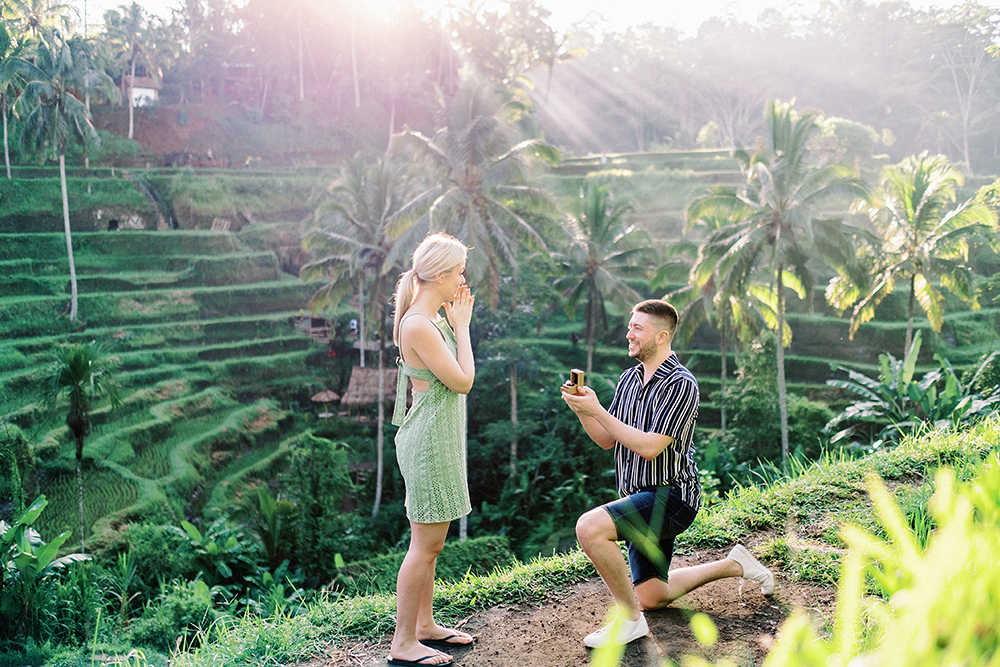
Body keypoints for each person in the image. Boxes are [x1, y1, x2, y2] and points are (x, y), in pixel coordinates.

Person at [561, 299, 774, 649]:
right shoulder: (629, 379)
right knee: (652, 595)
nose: (629, 334)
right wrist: (583, 409)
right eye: (630, 326)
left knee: (589, 527)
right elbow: (604, 439)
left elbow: (650, 447)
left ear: (661, 336)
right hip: (640, 499)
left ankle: (629, 622)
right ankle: (734, 563)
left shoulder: (681, 384)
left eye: (637, 329)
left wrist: (597, 408)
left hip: (670, 497)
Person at [388, 233, 476, 667]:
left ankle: (424, 626)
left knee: (431, 545)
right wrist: (461, 325)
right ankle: (403, 643)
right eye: (459, 271)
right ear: (441, 275)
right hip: (427, 442)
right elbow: (462, 381)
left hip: (435, 438)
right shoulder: (420, 324)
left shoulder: (425, 319)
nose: (463, 278)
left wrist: (454, 322)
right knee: (425, 545)